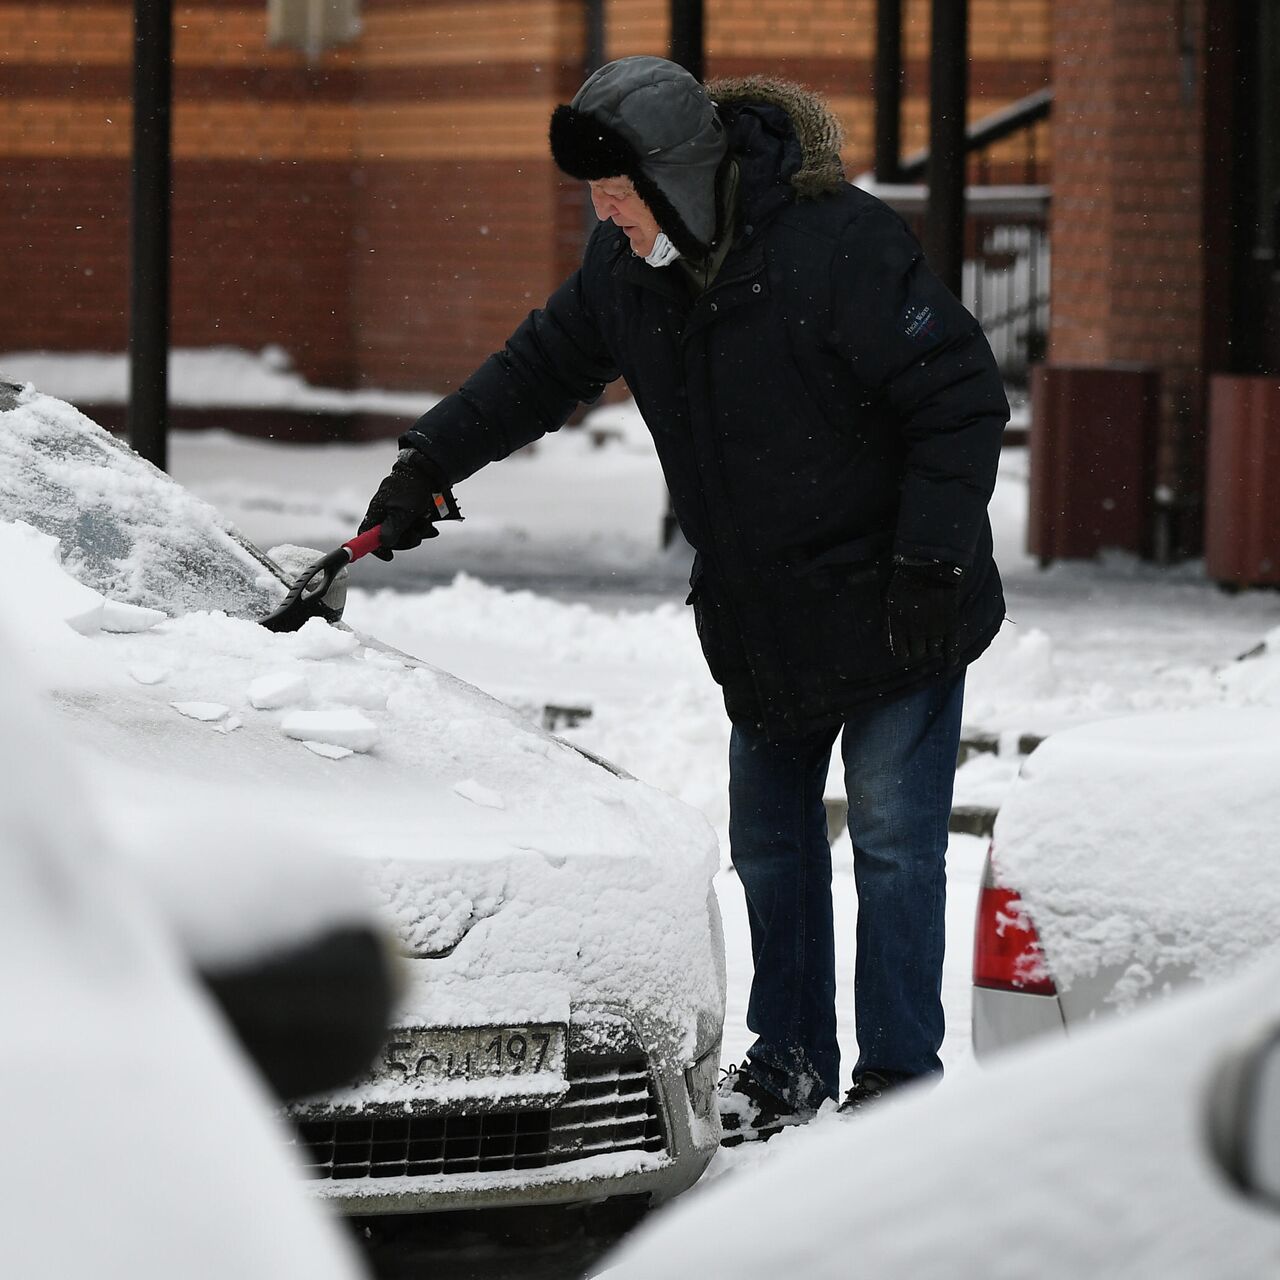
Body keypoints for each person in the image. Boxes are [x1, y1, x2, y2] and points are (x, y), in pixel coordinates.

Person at [360, 56, 1008, 1143]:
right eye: (598, 201)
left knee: (894, 843)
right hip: (764, 616)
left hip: (899, 596)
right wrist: (429, 462)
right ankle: (790, 1055)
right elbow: (536, 369)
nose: (606, 217)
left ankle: (900, 1084)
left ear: (675, 175)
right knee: (769, 847)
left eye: (618, 196)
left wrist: (932, 561)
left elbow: (957, 398)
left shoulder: (839, 245)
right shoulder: (627, 273)